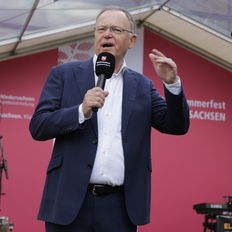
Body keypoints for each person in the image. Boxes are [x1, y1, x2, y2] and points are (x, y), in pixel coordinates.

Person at [29, 5, 190, 232]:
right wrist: (80, 111)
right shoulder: (64, 74)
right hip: (69, 203)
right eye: (101, 29)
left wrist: (172, 84)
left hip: (120, 208)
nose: (107, 34)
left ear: (132, 40)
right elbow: (38, 126)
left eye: (116, 29)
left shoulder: (143, 86)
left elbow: (176, 126)